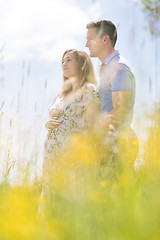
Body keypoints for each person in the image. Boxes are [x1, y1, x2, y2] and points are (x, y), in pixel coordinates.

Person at [85, 19, 139, 163]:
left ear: (105, 39)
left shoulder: (119, 67)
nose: (86, 44)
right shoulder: (108, 68)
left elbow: (119, 112)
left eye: (90, 39)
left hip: (117, 146)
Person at [43, 49, 100, 183]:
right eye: (63, 61)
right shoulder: (60, 94)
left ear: (81, 64)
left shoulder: (89, 89)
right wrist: (47, 124)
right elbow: (57, 118)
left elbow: (92, 125)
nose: (64, 64)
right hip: (51, 155)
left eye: (69, 60)